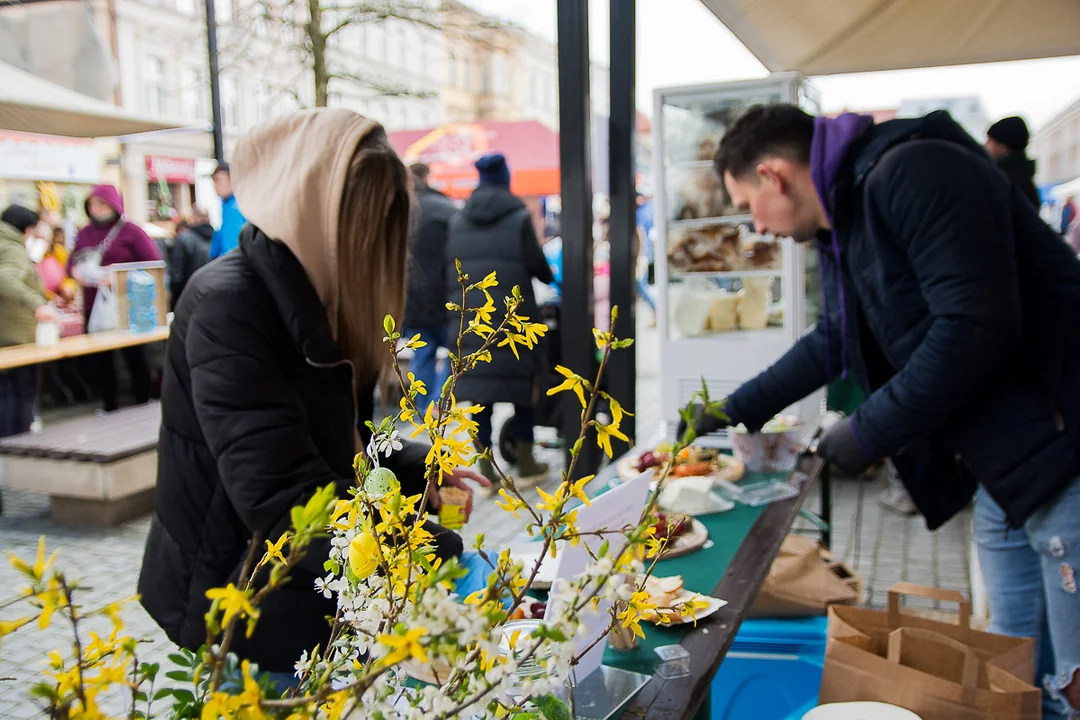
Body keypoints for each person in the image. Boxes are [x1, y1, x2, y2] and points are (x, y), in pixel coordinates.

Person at [681, 104, 1080, 717]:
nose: (755, 227)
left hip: (1061, 448)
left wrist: (865, 433)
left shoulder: (913, 171)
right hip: (1006, 468)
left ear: (773, 175)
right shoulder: (847, 214)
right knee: (1017, 677)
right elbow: (836, 336)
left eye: (746, 203)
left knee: (1069, 677)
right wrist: (732, 409)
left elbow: (974, 326)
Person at [137, 109, 485, 679]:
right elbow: (284, 501)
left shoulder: (314, 288)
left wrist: (422, 467)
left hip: (311, 596)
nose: (374, 245)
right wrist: (424, 547)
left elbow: (335, 437)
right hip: (244, 603)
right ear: (312, 210)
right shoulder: (232, 304)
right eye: (363, 223)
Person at [446, 153, 554, 491]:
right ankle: (524, 461)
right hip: (513, 321)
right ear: (506, 179)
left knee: (480, 396)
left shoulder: (457, 221)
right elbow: (539, 267)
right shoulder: (519, 218)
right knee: (523, 391)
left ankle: (486, 468)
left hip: (471, 322)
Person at [70, 185, 160, 412]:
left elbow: (153, 264)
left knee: (135, 354)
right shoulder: (84, 233)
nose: (95, 209)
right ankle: (109, 404)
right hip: (95, 305)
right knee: (102, 359)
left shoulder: (131, 231)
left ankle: (142, 399)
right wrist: (76, 273)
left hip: (126, 304)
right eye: (92, 204)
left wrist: (120, 275)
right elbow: (71, 262)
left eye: (100, 203)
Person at [403, 163, 456, 411]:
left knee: (422, 354)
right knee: (454, 352)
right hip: (444, 295)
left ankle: (421, 409)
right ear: (428, 177)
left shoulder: (401, 210)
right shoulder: (444, 208)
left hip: (411, 298)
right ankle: (438, 405)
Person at [0, 205, 55, 437]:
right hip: (17, 336)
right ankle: (16, 448)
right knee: (19, 395)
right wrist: (37, 303)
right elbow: (4, 279)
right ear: (26, 230)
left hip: (6, 333)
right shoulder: (13, 249)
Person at [985, 115, 1041, 208]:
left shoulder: (1004, 181)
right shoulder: (1023, 178)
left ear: (1003, 147)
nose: (985, 145)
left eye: (990, 141)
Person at [168, 206, 213, 309]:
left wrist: (175, 302)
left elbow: (176, 275)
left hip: (189, 297)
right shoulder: (217, 237)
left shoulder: (184, 239)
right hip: (213, 295)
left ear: (193, 218)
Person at [208, 162, 247, 259]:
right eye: (214, 182)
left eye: (219, 181)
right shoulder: (228, 205)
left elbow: (230, 250)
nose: (215, 186)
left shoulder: (234, 208)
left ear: (231, 181)